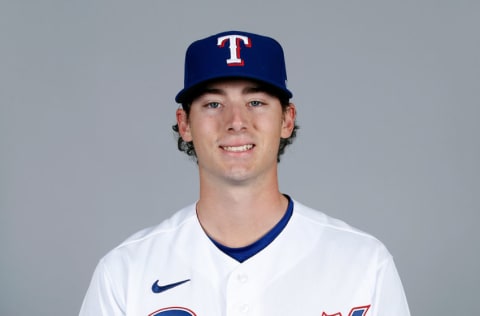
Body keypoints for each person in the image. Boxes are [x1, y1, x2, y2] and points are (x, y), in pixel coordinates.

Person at [79, 30, 411, 316]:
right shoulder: (126, 272)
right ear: (185, 124)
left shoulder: (363, 264)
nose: (236, 121)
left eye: (256, 102)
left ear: (286, 119)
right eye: (213, 104)